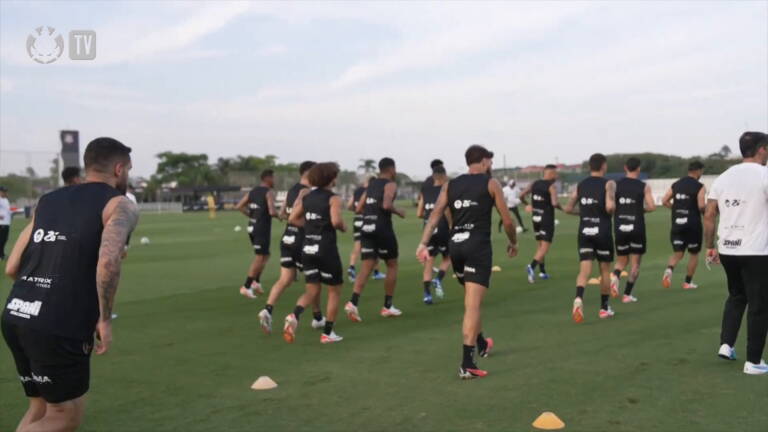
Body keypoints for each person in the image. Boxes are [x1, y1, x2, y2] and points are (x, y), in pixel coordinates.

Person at [2, 137, 139, 432]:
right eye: (128, 169)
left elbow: (12, 266)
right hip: (57, 323)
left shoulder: (49, 200)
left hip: (16, 312)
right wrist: (104, 318)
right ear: (119, 169)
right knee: (64, 416)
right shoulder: (120, 205)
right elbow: (109, 263)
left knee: (41, 409)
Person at [417, 144, 518, 379]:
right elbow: (508, 221)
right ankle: (467, 363)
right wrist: (513, 242)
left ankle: (481, 342)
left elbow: (435, 215)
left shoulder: (450, 185)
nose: (491, 166)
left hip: (457, 247)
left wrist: (423, 243)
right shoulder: (491, 183)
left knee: (472, 298)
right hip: (477, 247)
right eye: (490, 162)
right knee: (472, 305)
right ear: (482, 162)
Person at [704, 131, 768, 375]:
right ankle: (753, 361)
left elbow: (709, 214)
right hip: (756, 251)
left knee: (736, 296)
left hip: (728, 248)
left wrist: (710, 246)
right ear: (761, 149)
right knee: (759, 304)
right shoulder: (764, 174)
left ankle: (726, 344)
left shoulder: (723, 177)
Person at [283, 162, 347, 344]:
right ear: (330, 178)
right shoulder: (333, 198)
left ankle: (294, 315)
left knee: (312, 289)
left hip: (307, 249)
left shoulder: (307, 197)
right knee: (334, 291)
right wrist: (343, 227)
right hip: (326, 249)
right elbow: (335, 222)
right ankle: (328, 333)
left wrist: (311, 227)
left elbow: (292, 218)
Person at [258, 162, 325, 333]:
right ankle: (309, 317)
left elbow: (282, 214)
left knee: (285, 279)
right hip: (302, 240)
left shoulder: (291, 189)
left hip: (287, 238)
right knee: (314, 281)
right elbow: (295, 210)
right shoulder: (306, 192)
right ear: (310, 173)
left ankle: (268, 310)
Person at [344, 157, 406, 322]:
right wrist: (399, 211)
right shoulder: (390, 184)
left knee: (366, 266)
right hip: (382, 227)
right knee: (392, 264)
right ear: (391, 169)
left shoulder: (370, 185)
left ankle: (353, 303)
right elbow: (386, 205)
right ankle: (387, 306)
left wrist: (370, 214)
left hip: (366, 227)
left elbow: (358, 208)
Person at [564, 153, 617, 323]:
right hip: (602, 231)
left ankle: (578, 299)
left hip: (585, 231)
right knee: (605, 270)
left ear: (589, 167)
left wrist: (585, 212)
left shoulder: (580, 185)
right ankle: (603, 308)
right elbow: (609, 207)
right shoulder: (608, 183)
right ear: (604, 166)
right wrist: (611, 208)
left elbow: (568, 209)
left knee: (584, 271)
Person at [610, 157, 656, 303]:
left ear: (625, 168)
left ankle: (615, 276)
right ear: (638, 169)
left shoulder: (615, 185)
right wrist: (639, 209)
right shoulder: (643, 186)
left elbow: (610, 206)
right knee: (635, 263)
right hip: (636, 227)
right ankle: (627, 295)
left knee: (621, 260)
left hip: (620, 226)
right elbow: (652, 206)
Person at [661, 161, 707, 290]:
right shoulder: (700, 186)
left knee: (678, 253)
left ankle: (669, 270)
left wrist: (675, 210)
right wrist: (706, 213)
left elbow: (664, 200)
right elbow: (701, 205)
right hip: (693, 225)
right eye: (701, 171)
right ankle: (687, 282)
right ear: (698, 171)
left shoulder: (676, 184)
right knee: (693, 253)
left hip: (677, 224)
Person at [236, 169, 278, 298]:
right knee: (260, 257)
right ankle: (246, 286)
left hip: (252, 226)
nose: (274, 180)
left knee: (265, 255)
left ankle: (256, 282)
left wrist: (251, 216)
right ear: (267, 178)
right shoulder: (268, 192)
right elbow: (271, 211)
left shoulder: (253, 191)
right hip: (261, 228)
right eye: (273, 178)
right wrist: (282, 216)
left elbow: (239, 206)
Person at [416, 164, 451, 304]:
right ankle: (438, 279)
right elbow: (447, 211)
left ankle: (427, 294)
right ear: (443, 175)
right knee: (448, 257)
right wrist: (451, 226)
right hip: (442, 228)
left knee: (428, 262)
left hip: (428, 230)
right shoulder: (445, 189)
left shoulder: (425, 190)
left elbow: (419, 213)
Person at [520, 165, 560, 283]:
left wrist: (527, 204)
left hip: (535, 218)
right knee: (545, 247)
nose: (557, 176)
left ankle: (542, 272)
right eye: (555, 173)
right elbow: (554, 203)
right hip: (546, 219)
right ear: (550, 173)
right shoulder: (551, 187)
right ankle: (531, 266)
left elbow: (521, 195)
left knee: (540, 246)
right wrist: (563, 207)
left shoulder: (534, 183)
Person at [347, 177, 386, 282]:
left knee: (357, 245)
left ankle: (351, 267)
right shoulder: (371, 191)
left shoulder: (357, 191)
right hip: (367, 220)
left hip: (356, 220)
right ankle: (376, 272)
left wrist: (356, 210)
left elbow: (349, 205)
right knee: (375, 245)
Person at [0, 186, 10, 260]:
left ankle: (2, 254)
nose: (5, 193)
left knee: (4, 239)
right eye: (3, 191)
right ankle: (1, 255)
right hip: (1, 223)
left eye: (5, 191)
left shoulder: (6, 200)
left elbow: (7, 210)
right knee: (1, 239)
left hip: (6, 222)